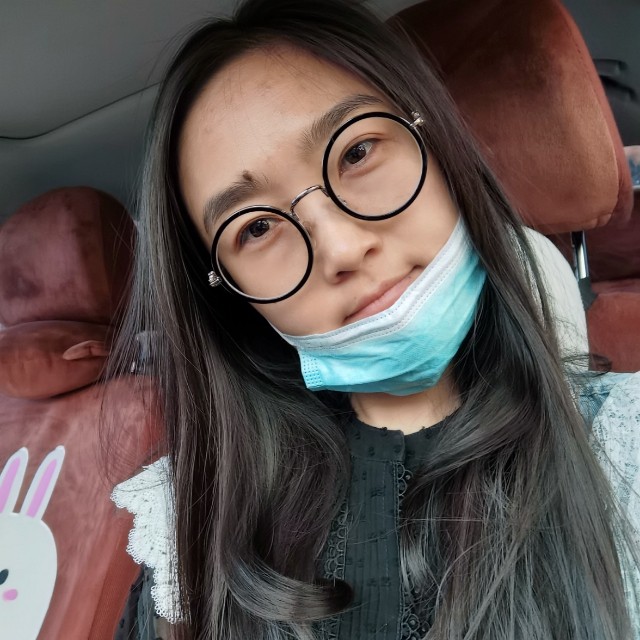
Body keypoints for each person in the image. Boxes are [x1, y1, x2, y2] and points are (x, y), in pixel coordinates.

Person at [109, 0, 640, 638]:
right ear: (234, 298)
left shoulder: (624, 445)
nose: (340, 247)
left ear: (439, 146)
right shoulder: (189, 525)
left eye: (358, 151)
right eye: (256, 228)